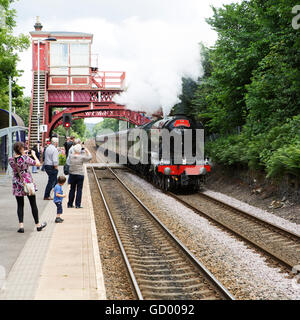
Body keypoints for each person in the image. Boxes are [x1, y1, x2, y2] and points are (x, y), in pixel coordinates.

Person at [8, 142, 47, 233]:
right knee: (33, 204)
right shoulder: (25, 158)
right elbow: (38, 164)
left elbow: (18, 160)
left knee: (20, 205)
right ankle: (38, 225)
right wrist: (34, 155)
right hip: (27, 182)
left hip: (17, 182)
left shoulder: (11, 159)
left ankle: (21, 226)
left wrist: (22, 153)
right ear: (21, 149)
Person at [67, 144, 92, 208]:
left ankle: (70, 204)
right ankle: (78, 205)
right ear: (80, 150)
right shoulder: (82, 157)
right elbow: (90, 157)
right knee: (79, 190)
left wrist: (76, 149)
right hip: (80, 174)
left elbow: (73, 153)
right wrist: (87, 151)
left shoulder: (70, 156)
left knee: (72, 189)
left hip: (72, 174)